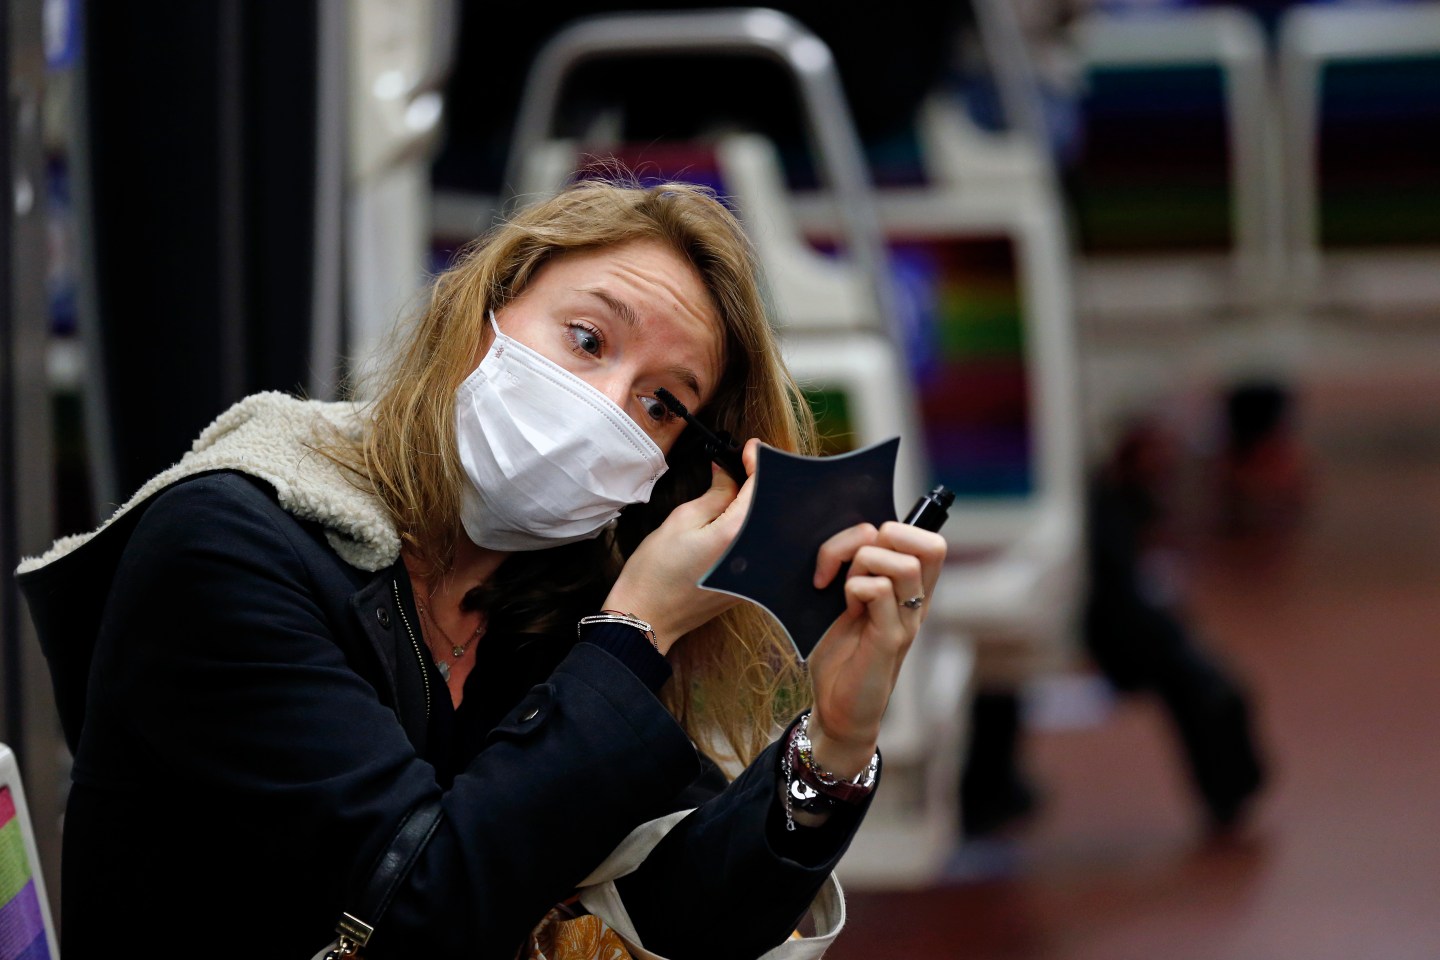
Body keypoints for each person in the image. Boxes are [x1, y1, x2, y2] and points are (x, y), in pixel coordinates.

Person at [17, 180, 946, 960]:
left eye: (662, 403)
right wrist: (636, 634)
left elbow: (686, 909)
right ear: (481, 316)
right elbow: (416, 913)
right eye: (586, 339)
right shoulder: (231, 544)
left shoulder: (534, 610)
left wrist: (835, 740)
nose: (604, 404)